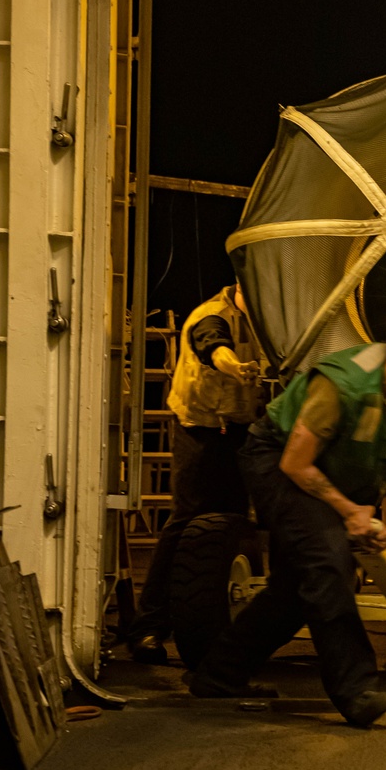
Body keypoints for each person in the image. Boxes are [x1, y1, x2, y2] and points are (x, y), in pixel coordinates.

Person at [189, 310, 386, 728]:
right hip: (280, 461)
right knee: (328, 565)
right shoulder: (344, 385)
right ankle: (355, 691)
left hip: (340, 471)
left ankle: (218, 676)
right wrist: (349, 510)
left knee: (297, 589)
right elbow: (297, 463)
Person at [127, 281, 264, 663]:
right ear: (241, 285)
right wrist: (236, 367)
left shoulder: (264, 316)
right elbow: (213, 347)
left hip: (241, 428)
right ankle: (149, 626)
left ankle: (233, 625)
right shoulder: (211, 316)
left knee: (237, 524)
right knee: (186, 522)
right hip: (201, 429)